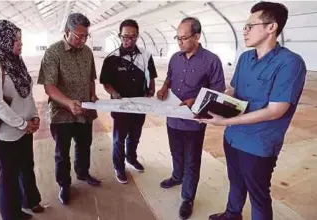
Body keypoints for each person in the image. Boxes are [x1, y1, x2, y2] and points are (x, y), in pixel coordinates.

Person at [201, 2, 307, 220]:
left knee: (258, 194)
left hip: (259, 144)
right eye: (245, 26)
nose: (245, 30)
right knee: (235, 181)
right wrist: (206, 101)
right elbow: (233, 90)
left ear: (271, 27)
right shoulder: (245, 58)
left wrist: (223, 122)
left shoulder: (290, 63)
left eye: (250, 25)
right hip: (232, 137)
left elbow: (276, 111)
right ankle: (232, 214)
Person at [156, 17, 225, 219]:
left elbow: (218, 90)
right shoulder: (175, 58)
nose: (180, 43)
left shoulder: (211, 60)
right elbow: (169, 76)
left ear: (196, 36)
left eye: (184, 38)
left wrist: (195, 100)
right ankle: (177, 177)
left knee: (192, 160)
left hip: (194, 121)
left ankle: (187, 198)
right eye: (177, 38)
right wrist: (163, 87)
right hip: (173, 117)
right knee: (175, 152)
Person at [0, 20, 44, 220]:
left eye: (20, 39)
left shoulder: (16, 61)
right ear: (3, 40)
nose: (20, 43)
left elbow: (27, 93)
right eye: (15, 40)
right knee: (8, 175)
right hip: (3, 132)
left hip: (24, 128)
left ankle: (30, 200)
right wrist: (23, 124)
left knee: (27, 165)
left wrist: (33, 116)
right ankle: (11, 215)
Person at [37, 13, 100, 205]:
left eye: (85, 36)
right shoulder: (53, 52)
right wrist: (68, 103)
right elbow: (49, 87)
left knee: (84, 145)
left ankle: (82, 173)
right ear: (67, 32)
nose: (82, 40)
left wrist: (93, 95)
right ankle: (64, 184)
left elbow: (91, 78)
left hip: (84, 111)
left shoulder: (87, 52)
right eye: (78, 36)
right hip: (62, 113)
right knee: (62, 152)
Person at [100, 19, 157, 184]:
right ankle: (119, 166)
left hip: (140, 106)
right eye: (125, 37)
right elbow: (106, 82)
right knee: (119, 139)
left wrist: (151, 89)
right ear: (119, 36)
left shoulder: (146, 56)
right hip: (120, 106)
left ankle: (131, 158)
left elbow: (151, 76)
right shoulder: (112, 58)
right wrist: (114, 93)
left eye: (132, 37)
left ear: (138, 36)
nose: (129, 40)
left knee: (135, 136)